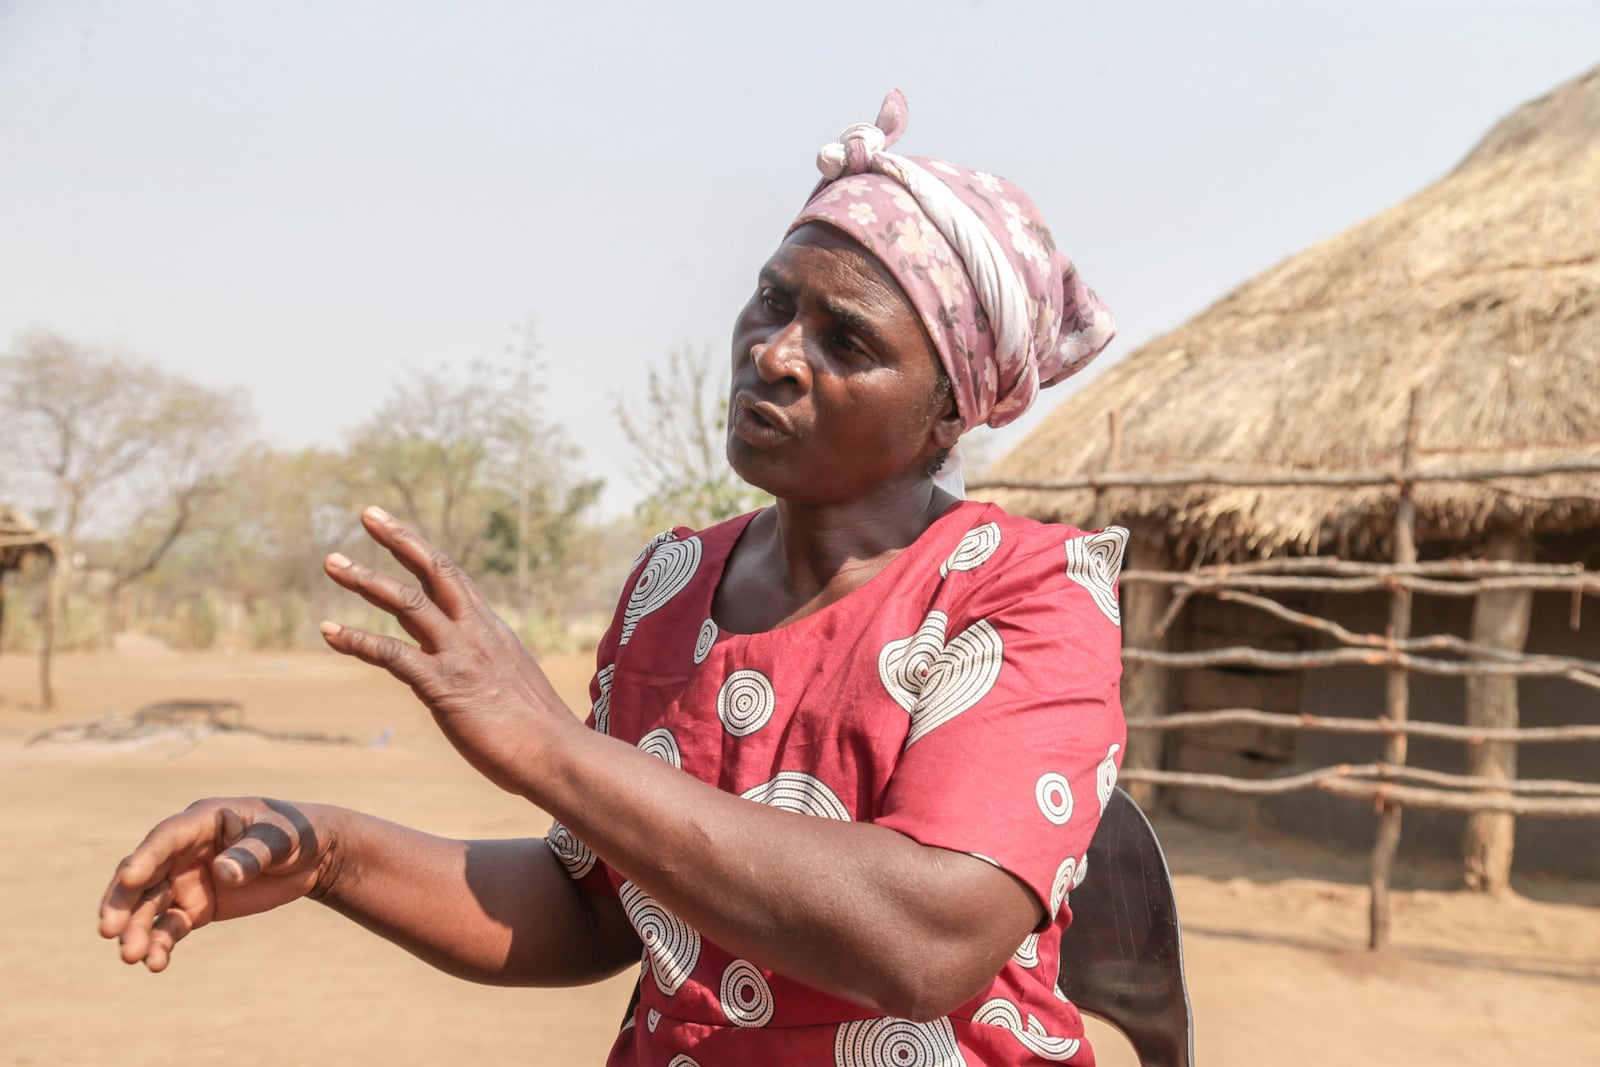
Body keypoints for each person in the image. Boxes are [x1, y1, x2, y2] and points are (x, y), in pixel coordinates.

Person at [100, 90, 1126, 1066]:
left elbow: (925, 942)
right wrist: (326, 849)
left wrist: (547, 746)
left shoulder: (1026, 591)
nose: (772, 352)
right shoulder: (672, 584)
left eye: (844, 340)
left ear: (950, 411)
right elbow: (595, 900)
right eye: (772, 300)